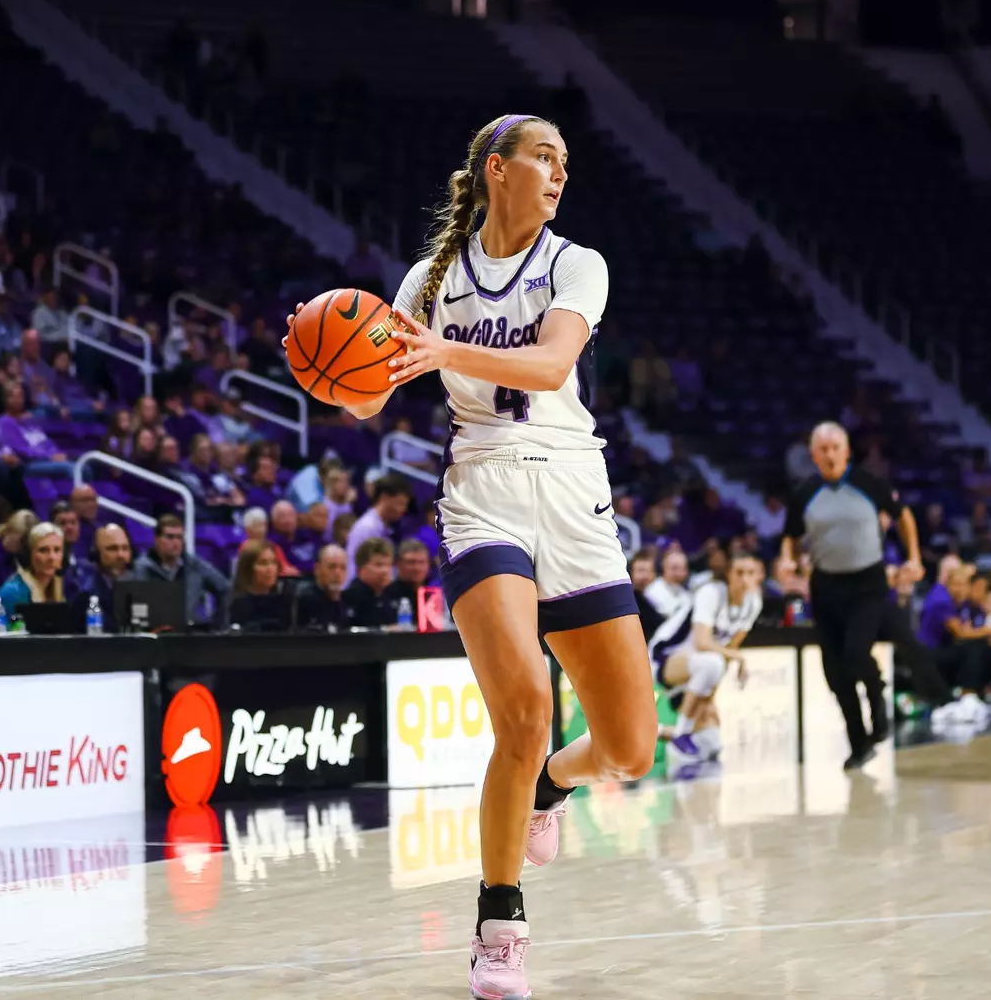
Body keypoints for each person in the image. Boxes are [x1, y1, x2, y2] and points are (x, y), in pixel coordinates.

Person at [292, 113, 658, 997]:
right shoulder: (431, 277)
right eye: (544, 157)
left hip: (575, 492)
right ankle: (501, 923)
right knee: (524, 709)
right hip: (484, 490)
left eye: (566, 162)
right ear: (498, 170)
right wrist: (335, 368)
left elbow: (551, 363)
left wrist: (435, 350)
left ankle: (552, 789)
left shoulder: (579, 264)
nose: (560, 172)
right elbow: (373, 399)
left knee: (631, 749)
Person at [777, 421, 924, 771]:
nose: (829, 455)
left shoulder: (869, 484)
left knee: (857, 653)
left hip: (868, 583)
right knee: (835, 672)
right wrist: (787, 559)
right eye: (822, 450)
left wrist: (914, 556)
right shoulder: (804, 493)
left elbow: (903, 516)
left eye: (835, 448)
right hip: (826, 587)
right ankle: (859, 745)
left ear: (846, 451)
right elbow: (791, 535)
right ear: (813, 455)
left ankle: (878, 698)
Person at [646, 553, 764, 765]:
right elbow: (703, 642)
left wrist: (710, 696)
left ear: (760, 576)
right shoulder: (711, 593)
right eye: (739, 572)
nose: (744, 578)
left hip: (701, 669)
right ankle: (682, 732)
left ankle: (661, 732)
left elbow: (729, 651)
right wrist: (740, 659)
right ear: (728, 574)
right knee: (712, 662)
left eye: (751, 573)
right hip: (664, 658)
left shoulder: (753, 603)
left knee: (711, 743)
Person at [132, 513, 231, 625]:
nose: (176, 543)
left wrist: (219, 624)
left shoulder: (195, 565)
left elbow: (225, 588)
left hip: (189, 635)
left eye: (179, 537)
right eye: (170, 537)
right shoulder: (141, 568)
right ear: (157, 539)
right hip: (153, 634)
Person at [342, 474, 411, 581]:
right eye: (400, 503)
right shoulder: (367, 528)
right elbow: (355, 568)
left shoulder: (384, 526)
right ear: (384, 498)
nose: (403, 510)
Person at [0, 522, 65, 621]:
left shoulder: (58, 588)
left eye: (57, 550)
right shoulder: (13, 592)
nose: (51, 557)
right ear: (28, 555)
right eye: (43, 550)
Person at [226, 539, 292, 630]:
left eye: (273, 563)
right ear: (248, 569)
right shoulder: (234, 603)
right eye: (263, 563)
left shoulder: (287, 600)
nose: (270, 569)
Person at [77, 523, 134, 618]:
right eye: (112, 549)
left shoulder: (141, 588)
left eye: (125, 548)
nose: (120, 555)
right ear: (96, 554)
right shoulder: (87, 594)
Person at [341, 536, 399, 628]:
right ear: (361, 569)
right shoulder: (351, 597)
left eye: (388, 565)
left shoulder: (392, 594)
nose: (385, 570)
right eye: (379, 565)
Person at [294, 543, 349, 629]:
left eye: (343, 568)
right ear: (317, 569)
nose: (338, 573)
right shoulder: (304, 600)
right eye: (332, 567)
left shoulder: (348, 600)